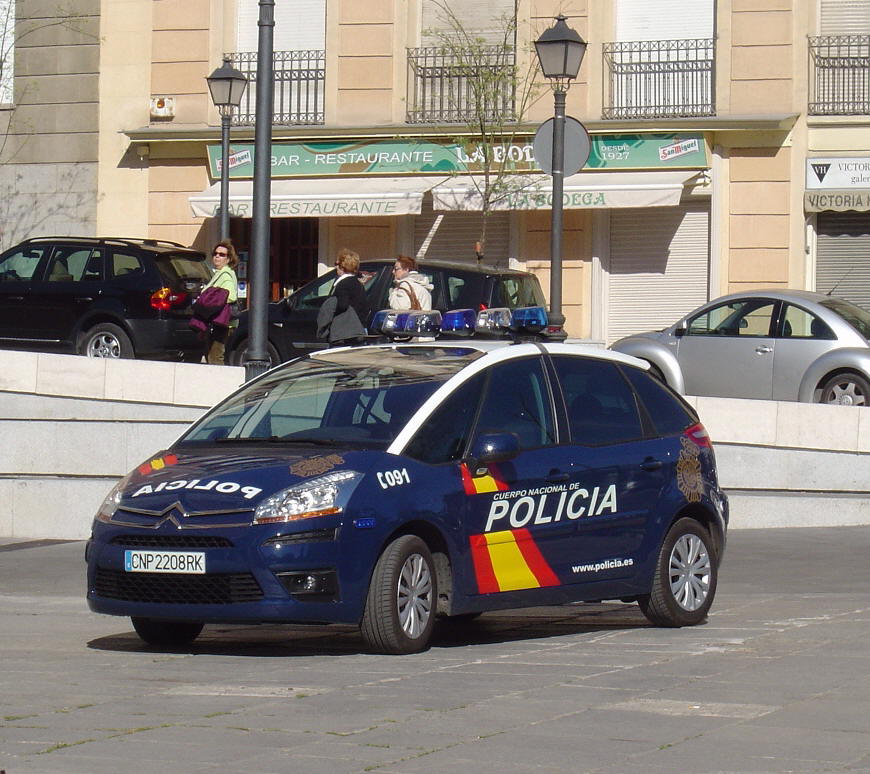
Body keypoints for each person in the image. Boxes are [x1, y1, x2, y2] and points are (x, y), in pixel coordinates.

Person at [316, 248, 370, 347]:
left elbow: (342, 305)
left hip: (345, 334)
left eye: (336, 264)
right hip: (359, 329)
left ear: (342, 267)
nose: (335, 267)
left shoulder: (343, 284)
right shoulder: (358, 283)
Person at [203, 239, 239, 364]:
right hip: (219, 322)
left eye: (222, 254)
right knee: (212, 355)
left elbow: (231, 296)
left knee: (215, 356)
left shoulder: (226, 276)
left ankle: (218, 382)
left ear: (228, 259)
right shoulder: (219, 274)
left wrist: (211, 302)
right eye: (215, 254)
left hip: (223, 322)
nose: (217, 256)